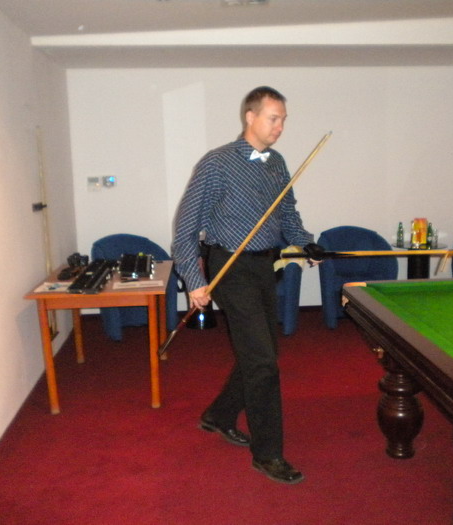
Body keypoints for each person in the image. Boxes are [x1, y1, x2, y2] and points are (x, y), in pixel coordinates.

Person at [171, 86, 324, 484]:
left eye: (284, 120)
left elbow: (287, 213)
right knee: (263, 362)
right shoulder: (216, 163)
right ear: (250, 117)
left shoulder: (278, 163)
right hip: (229, 266)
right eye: (274, 118)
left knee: (261, 353)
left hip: (263, 266)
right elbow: (185, 229)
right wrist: (195, 281)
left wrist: (305, 242)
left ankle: (218, 415)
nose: (280, 127)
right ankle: (268, 453)